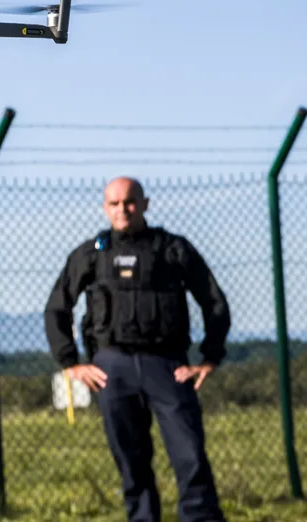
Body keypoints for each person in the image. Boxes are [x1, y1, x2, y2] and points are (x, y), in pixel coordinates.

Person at [43, 176, 232, 522]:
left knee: (189, 456)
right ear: (104, 208)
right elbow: (57, 308)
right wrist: (70, 364)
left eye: (129, 202)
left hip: (167, 366)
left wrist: (209, 359)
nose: (122, 210)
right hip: (111, 369)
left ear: (145, 204)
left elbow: (213, 301)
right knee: (131, 462)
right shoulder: (91, 254)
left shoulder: (172, 249)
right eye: (114, 204)